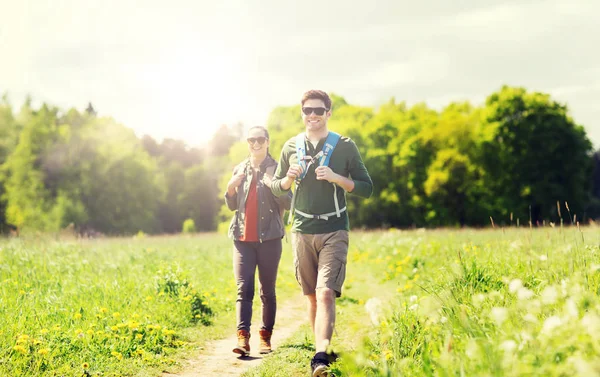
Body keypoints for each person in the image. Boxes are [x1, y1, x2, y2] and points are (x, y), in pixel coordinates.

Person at [271, 90, 373, 376]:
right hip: (302, 229)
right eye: (307, 111)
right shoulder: (291, 146)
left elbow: (366, 188)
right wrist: (288, 178)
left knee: (326, 292)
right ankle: (323, 349)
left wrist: (336, 177)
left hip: (334, 229)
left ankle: (320, 358)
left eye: (318, 110)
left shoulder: (344, 146)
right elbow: (275, 186)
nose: (312, 115)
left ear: (328, 112)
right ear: (302, 113)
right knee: (313, 297)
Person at [224, 126, 292, 357]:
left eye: (259, 139)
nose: (255, 143)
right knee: (243, 288)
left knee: (267, 290)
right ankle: (242, 338)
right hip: (242, 238)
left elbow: (289, 203)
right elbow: (232, 205)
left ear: (267, 141)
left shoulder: (277, 169)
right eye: (251, 140)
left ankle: (266, 336)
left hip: (269, 238)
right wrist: (230, 188)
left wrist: (275, 185)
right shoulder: (239, 168)